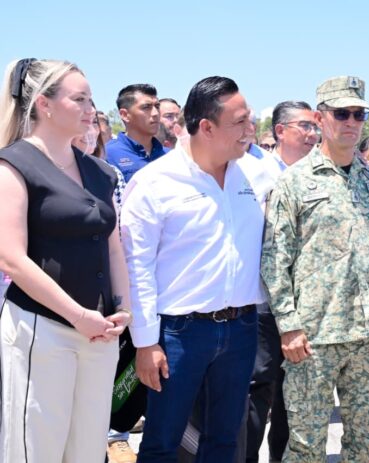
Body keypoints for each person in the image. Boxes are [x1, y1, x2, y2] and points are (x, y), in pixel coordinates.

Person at [121, 75, 273, 462]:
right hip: (178, 334)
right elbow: (137, 267)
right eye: (239, 121)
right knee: (162, 442)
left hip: (241, 329)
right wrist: (145, 343)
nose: (250, 129)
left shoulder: (256, 175)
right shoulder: (155, 182)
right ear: (206, 127)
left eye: (250, 119)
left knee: (225, 440)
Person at [261, 75, 369, 462]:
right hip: (314, 336)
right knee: (305, 447)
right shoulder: (294, 182)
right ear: (320, 118)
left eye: (359, 114)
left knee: (367, 445)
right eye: (342, 113)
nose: (351, 122)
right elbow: (275, 258)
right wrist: (288, 325)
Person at [0, 58, 131, 462]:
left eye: (91, 99)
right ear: (44, 104)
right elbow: (11, 258)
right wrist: (77, 315)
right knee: (35, 450)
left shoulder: (100, 172)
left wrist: (124, 308)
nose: (92, 109)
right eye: (80, 99)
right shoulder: (14, 164)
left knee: (87, 451)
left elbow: (113, 246)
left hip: (100, 333)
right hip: (42, 329)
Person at [244, 100, 319, 463]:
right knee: (258, 392)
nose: (312, 134)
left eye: (314, 126)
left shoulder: (318, 175)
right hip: (263, 304)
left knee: (295, 397)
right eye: (304, 126)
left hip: (307, 307)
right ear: (280, 131)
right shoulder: (254, 175)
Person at [105, 83, 167, 183]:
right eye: (146, 107)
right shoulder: (107, 155)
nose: (155, 113)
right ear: (125, 115)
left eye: (157, 106)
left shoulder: (170, 155)